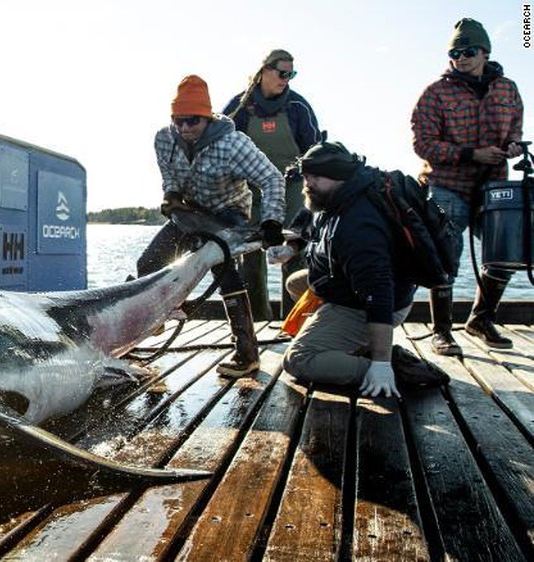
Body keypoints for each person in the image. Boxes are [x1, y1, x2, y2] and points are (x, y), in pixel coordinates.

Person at [136, 74, 286, 377]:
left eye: (192, 121)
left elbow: (271, 179)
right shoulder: (164, 139)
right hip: (190, 209)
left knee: (223, 270)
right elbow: (169, 174)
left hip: (228, 212)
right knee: (148, 262)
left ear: (206, 118)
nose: (185, 128)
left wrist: (271, 220)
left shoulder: (233, 144)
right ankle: (156, 317)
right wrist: (171, 194)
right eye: (178, 121)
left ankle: (246, 354)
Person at [281, 141, 447, 397]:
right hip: (345, 286)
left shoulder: (359, 224)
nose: (307, 183)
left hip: (373, 303)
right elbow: (313, 220)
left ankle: (389, 366)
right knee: (295, 283)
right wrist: (292, 247)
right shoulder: (338, 195)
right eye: (305, 176)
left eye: (314, 177)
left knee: (298, 358)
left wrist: (380, 365)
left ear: (338, 176)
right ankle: (353, 343)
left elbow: (378, 292)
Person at [411, 17, 525, 356]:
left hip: (494, 186)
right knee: (445, 256)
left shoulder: (508, 89)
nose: (460, 57)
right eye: (454, 52)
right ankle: (442, 331)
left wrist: (515, 145)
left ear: (485, 52)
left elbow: (515, 127)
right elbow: (423, 145)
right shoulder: (434, 93)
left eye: (468, 51)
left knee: (506, 252)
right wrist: (471, 153)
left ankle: (481, 319)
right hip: (446, 184)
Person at [223, 49, 321, 321]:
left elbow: (313, 150)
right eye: (282, 73)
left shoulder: (298, 107)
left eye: (292, 74)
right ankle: (257, 320)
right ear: (264, 70)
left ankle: (294, 321)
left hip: (292, 187)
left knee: (293, 253)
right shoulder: (239, 107)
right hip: (250, 188)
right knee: (251, 256)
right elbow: (222, 146)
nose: (286, 79)